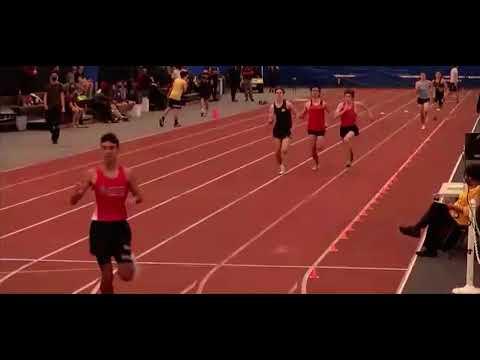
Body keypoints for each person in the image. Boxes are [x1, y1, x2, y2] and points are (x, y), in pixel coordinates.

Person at [70, 133, 143, 294]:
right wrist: (77, 192)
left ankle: (127, 259)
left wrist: (133, 200)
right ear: (100, 150)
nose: (107, 151)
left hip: (120, 229)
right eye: (104, 148)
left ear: (118, 150)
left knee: (126, 275)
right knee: (107, 275)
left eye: (111, 148)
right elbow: (73, 201)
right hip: (100, 228)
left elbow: (140, 196)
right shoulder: (92, 174)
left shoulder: (128, 173)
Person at [399, 164, 480, 257]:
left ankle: (418, 232)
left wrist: (453, 208)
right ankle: (419, 233)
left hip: (462, 219)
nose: (465, 177)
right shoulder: (470, 187)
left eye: (467, 176)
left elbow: (470, 211)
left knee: (435, 210)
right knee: (435, 211)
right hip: (454, 212)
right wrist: (446, 201)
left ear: (471, 177)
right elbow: (461, 200)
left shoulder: (478, 191)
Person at [334, 89, 373, 167]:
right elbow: (335, 116)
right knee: (345, 145)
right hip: (343, 128)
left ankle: (349, 160)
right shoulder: (341, 105)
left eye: (349, 96)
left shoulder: (356, 104)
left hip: (352, 127)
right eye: (346, 96)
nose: (347, 98)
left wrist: (370, 114)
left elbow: (365, 107)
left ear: (352, 98)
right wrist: (343, 111)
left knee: (346, 139)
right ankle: (350, 155)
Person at [299, 86, 330, 170]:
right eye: (313, 91)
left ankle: (320, 144)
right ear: (311, 92)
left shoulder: (323, 103)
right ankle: (317, 163)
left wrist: (326, 122)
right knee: (312, 150)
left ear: (319, 92)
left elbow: (329, 113)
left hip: (321, 128)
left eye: (316, 91)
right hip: (311, 128)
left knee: (319, 147)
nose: (315, 92)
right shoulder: (308, 103)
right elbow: (303, 114)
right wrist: (300, 115)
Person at [268, 88, 296, 175]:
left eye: (280, 92)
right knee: (276, 152)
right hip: (277, 130)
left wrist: (293, 127)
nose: (279, 94)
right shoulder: (272, 106)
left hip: (287, 130)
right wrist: (270, 120)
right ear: (275, 94)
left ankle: (284, 163)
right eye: (277, 93)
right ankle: (281, 166)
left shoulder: (287, 104)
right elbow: (271, 117)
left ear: (283, 94)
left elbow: (295, 114)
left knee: (284, 150)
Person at [43, 72, 65, 144]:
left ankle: (55, 139)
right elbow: (45, 96)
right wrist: (45, 105)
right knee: (50, 122)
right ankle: (53, 133)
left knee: (56, 124)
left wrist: (63, 106)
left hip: (56, 107)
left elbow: (62, 96)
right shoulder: (48, 86)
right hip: (51, 107)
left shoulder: (60, 86)